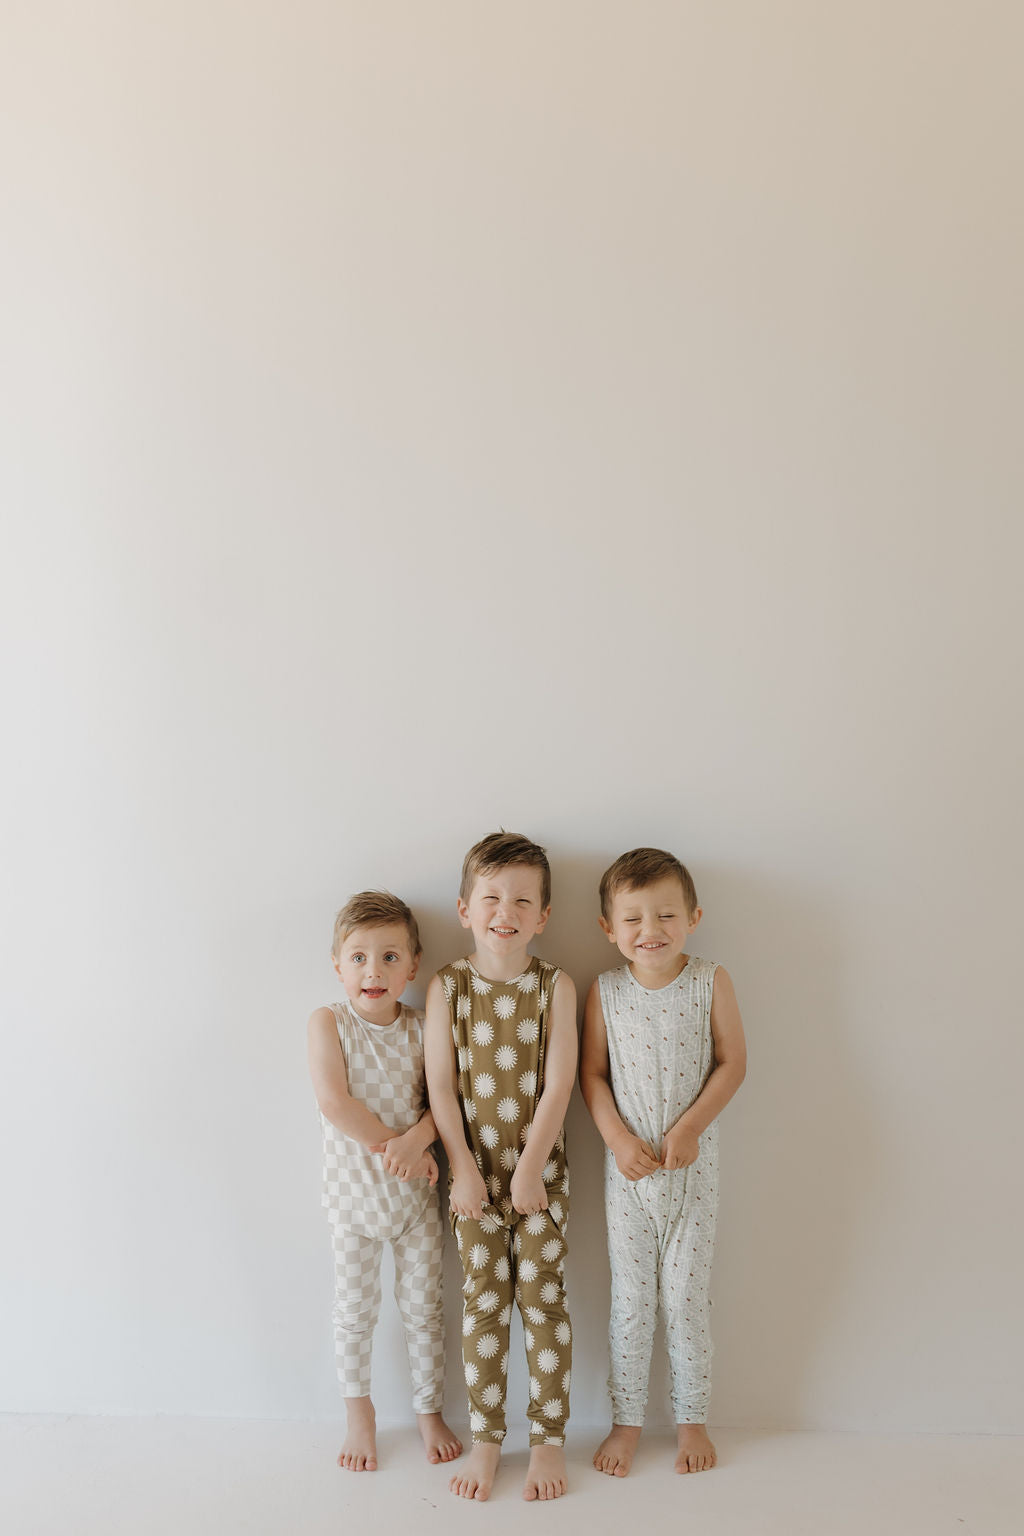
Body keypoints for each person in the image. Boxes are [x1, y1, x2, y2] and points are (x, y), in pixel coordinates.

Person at [579, 848, 746, 1477]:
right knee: (631, 1301)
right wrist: (618, 1140)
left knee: (685, 1300)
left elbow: (733, 1062)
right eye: (633, 919)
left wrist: (692, 1127)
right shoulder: (606, 991)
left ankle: (691, 1420)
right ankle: (625, 1423)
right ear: (609, 928)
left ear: (693, 917)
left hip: (691, 1174)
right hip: (629, 1177)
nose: (650, 930)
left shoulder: (710, 980)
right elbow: (592, 1075)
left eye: (666, 915)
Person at [424, 832, 577, 1503]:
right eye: (491, 897)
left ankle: (548, 1440)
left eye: (521, 900)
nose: (504, 911)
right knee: (484, 1305)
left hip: (541, 1180)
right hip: (472, 1181)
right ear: (465, 909)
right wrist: (461, 1168)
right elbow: (440, 1087)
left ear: (542, 916)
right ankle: (487, 1438)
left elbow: (560, 1083)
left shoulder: (555, 986)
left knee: (544, 1304)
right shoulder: (448, 987)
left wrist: (531, 1168)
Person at [307, 890, 462, 1472]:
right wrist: (395, 1150)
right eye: (359, 958)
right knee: (355, 1310)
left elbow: (446, 1101)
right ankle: (359, 1413)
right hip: (352, 1199)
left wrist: (417, 1142)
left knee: (424, 1309)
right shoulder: (329, 1023)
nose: (373, 971)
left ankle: (428, 1411)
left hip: (416, 1197)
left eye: (390, 957)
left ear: (413, 966)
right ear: (338, 965)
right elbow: (334, 1102)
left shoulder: (423, 1027)